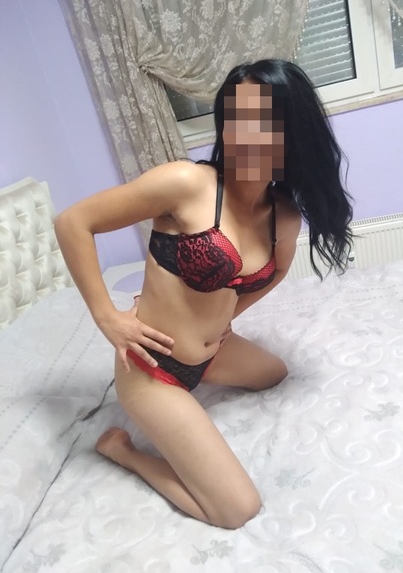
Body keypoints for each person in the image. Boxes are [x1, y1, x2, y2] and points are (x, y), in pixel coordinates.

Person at [55, 58, 353, 530]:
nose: (245, 135)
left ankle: (202, 377)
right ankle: (124, 452)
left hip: (213, 355)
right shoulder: (186, 184)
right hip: (154, 368)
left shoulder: (284, 214)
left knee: (276, 374)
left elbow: (275, 272)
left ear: (292, 132)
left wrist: (225, 318)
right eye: (236, 118)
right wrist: (107, 317)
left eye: (264, 121)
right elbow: (73, 222)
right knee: (236, 509)